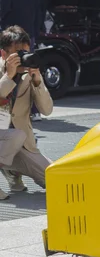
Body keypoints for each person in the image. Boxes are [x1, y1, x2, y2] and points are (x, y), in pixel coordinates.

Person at [0, 27, 53, 200]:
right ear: (3, 54)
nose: (23, 58)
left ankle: (11, 169)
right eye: (17, 54)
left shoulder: (29, 73)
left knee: (56, 180)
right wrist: (9, 76)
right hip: (5, 138)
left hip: (23, 143)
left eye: (25, 52)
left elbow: (47, 110)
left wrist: (38, 81)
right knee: (15, 136)